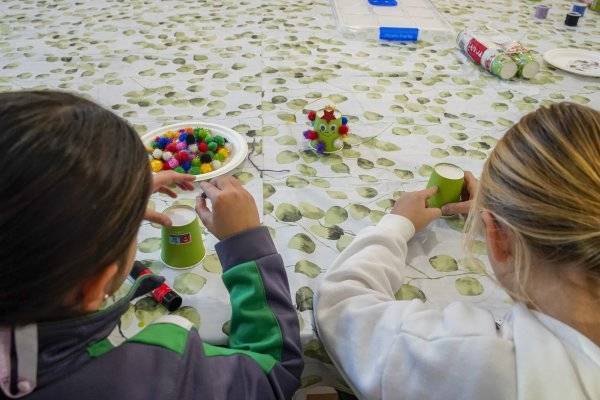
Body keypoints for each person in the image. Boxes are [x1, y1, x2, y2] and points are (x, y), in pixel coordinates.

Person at [0, 91, 302, 399]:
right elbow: (274, 374)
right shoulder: (160, 368)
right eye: (130, 228)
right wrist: (247, 244)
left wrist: (107, 206)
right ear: (95, 287)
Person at [315, 102, 600, 400]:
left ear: (498, 240)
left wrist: (397, 224)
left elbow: (342, 305)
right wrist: (504, 216)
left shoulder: (479, 359)